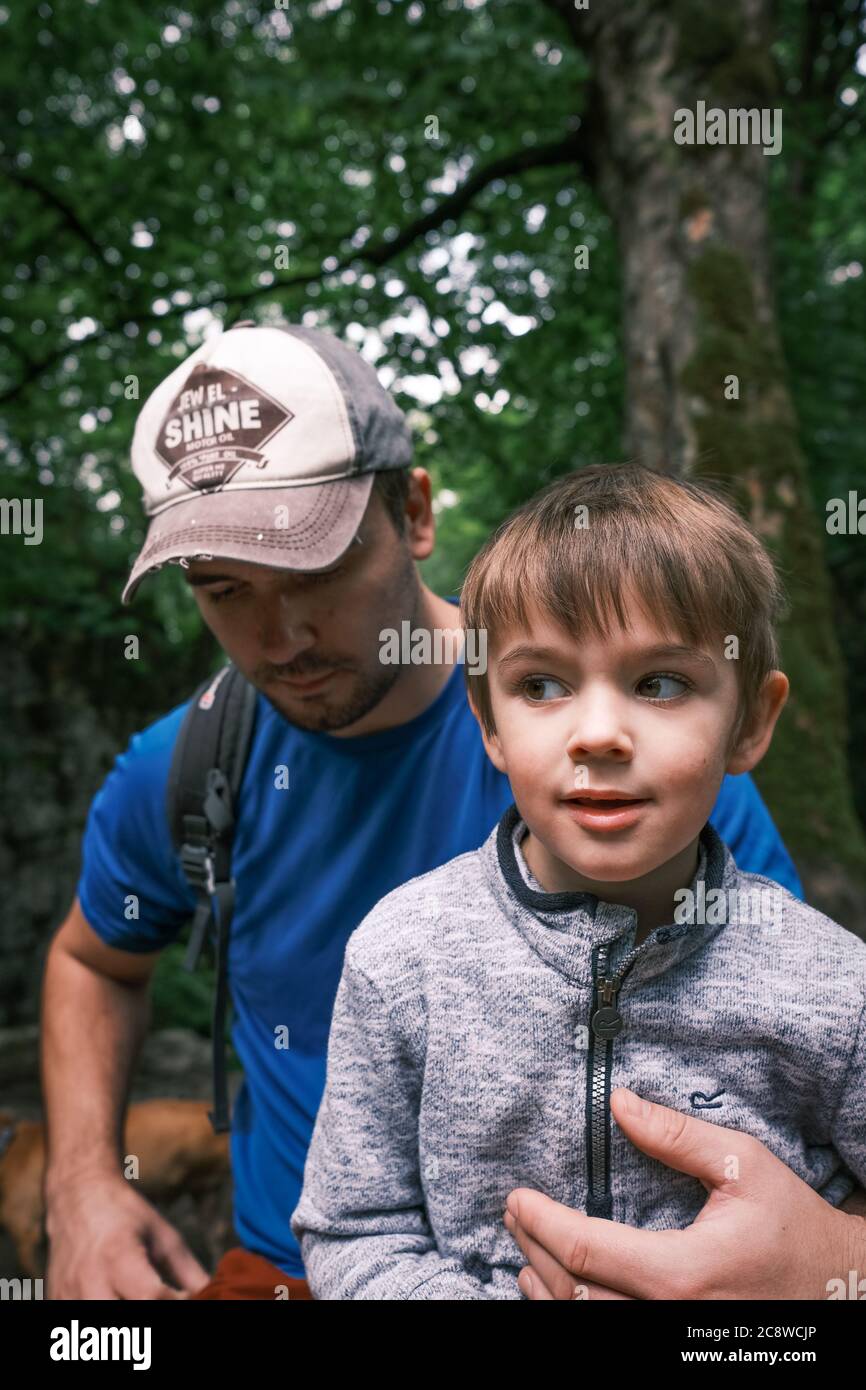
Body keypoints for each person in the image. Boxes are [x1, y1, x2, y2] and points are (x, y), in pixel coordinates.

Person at [38, 322, 857, 1301]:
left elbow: (786, 1054)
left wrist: (835, 1265)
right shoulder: (185, 770)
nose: (282, 634)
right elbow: (93, 959)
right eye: (224, 590)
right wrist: (80, 1183)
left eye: (315, 571)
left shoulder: (650, 753)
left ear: (414, 512)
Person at [290, 464, 866, 1299]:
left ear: (751, 723)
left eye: (660, 683)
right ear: (488, 723)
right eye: (542, 686)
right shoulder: (402, 959)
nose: (597, 734)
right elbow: (355, 1230)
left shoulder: (833, 987)